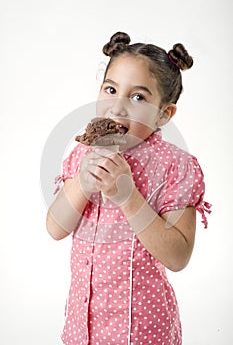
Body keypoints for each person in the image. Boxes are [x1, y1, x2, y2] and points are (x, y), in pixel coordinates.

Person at [46, 32, 211, 345]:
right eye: (111, 89)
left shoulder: (175, 166)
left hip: (143, 331)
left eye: (138, 97)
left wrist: (128, 197)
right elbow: (55, 228)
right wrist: (82, 183)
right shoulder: (83, 153)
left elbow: (178, 256)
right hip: (83, 328)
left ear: (165, 113)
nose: (118, 107)